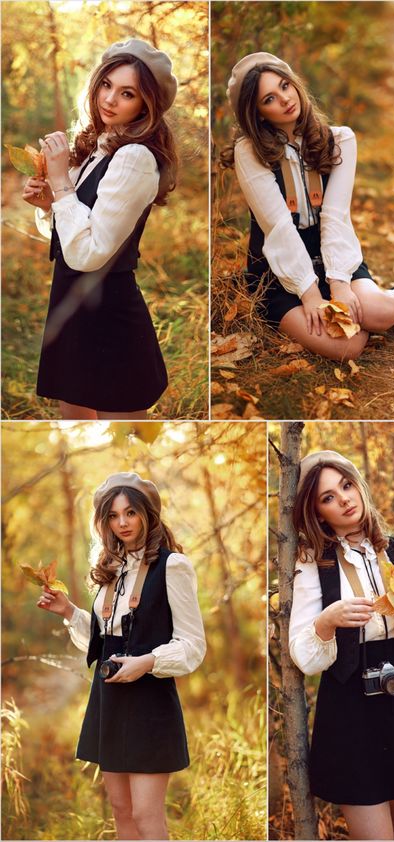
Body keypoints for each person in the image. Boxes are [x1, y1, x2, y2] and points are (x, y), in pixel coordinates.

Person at [222, 53, 394, 361]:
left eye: (285, 86)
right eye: (270, 98)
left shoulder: (340, 140)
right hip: (278, 270)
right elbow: (278, 227)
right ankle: (393, 319)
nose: (285, 99)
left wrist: (339, 285)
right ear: (257, 113)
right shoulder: (249, 152)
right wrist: (310, 296)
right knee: (347, 347)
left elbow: (335, 216)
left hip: (331, 256)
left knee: (376, 310)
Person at [289, 450, 394, 841]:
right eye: (328, 497)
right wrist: (327, 621)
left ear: (359, 486)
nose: (344, 499)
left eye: (346, 486)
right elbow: (304, 655)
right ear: (317, 512)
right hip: (351, 700)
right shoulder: (312, 561)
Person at [37, 472, 206, 841]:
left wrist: (146, 662)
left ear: (148, 514)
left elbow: (193, 645)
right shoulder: (110, 569)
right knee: (121, 811)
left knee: (147, 815)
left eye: (131, 512)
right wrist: (69, 612)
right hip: (108, 696)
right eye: (113, 516)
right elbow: (103, 641)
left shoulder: (172, 566)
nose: (123, 523)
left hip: (150, 697)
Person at [23, 39, 178, 420]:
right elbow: (75, 233)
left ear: (146, 105)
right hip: (70, 298)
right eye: (106, 85)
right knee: (72, 410)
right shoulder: (98, 146)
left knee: (122, 420)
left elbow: (90, 253)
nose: (110, 99)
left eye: (127, 93)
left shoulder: (135, 157)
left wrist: (61, 183)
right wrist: (51, 204)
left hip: (108, 308)